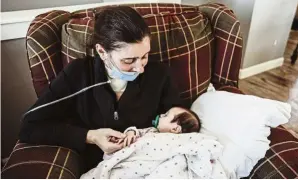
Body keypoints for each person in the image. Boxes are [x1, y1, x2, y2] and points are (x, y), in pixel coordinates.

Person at [19, 6, 182, 172]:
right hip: (98, 168)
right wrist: (91, 136)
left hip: (151, 164)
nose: (140, 68)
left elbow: (180, 124)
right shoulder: (78, 74)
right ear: (102, 51)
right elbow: (30, 126)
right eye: (128, 60)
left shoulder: (160, 75)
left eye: (144, 56)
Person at [103, 106, 201, 160]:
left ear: (175, 129)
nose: (161, 115)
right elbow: (137, 131)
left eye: (166, 115)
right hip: (128, 156)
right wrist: (130, 133)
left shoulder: (178, 145)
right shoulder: (151, 130)